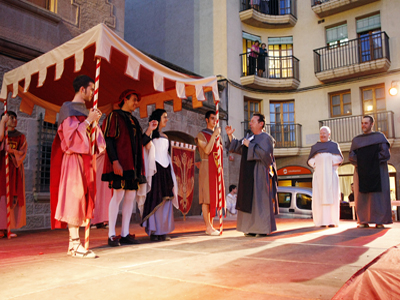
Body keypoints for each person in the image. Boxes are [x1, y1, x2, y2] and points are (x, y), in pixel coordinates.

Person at [50, 75, 105, 258]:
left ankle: (73, 244)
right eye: (91, 89)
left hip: (85, 160)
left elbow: (95, 141)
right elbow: (70, 140)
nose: (92, 93)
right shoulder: (68, 109)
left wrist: (94, 124)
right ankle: (74, 244)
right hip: (73, 159)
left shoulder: (86, 111)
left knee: (82, 199)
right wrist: (89, 121)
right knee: (75, 198)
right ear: (82, 89)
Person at [102, 89, 158, 247]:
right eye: (134, 100)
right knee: (118, 196)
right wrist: (114, 161)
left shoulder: (134, 120)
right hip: (120, 164)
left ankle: (125, 233)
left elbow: (140, 142)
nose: (136, 103)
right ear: (125, 99)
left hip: (133, 167)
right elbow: (109, 139)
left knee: (130, 199)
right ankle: (111, 234)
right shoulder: (114, 116)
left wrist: (150, 130)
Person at [225, 113, 277, 237]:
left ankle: (262, 229)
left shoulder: (266, 138)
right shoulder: (250, 137)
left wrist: (250, 146)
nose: (250, 123)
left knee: (259, 201)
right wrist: (230, 135)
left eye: (253, 121)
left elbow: (266, 156)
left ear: (261, 124)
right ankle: (250, 228)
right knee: (249, 200)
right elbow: (238, 147)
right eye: (250, 121)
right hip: (247, 173)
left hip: (259, 173)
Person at [140, 109, 178, 241]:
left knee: (166, 199)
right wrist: (150, 129)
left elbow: (167, 154)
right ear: (158, 118)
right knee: (156, 199)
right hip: (156, 170)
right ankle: (154, 231)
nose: (167, 119)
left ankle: (163, 231)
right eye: (165, 117)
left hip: (166, 170)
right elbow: (143, 141)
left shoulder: (166, 136)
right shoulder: (151, 134)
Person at [349, 115, 392, 229]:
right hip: (361, 171)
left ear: (372, 124)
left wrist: (368, 159)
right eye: (362, 123)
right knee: (362, 197)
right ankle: (363, 221)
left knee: (379, 197)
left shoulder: (380, 137)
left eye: (366, 123)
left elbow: (385, 154)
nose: (363, 125)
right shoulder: (356, 140)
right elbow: (352, 156)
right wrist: (365, 161)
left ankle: (379, 221)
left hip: (378, 171)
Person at [195, 110, 225, 236]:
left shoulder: (218, 136)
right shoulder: (201, 135)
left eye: (216, 119)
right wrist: (214, 135)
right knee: (206, 198)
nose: (214, 121)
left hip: (216, 168)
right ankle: (208, 226)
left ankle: (211, 226)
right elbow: (207, 150)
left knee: (213, 198)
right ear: (207, 120)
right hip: (206, 166)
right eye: (212, 118)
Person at [307, 126, 343, 227]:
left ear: (329, 134)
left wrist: (326, 159)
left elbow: (339, 159)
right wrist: (318, 162)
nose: (322, 135)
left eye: (325, 133)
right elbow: (310, 160)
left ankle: (332, 221)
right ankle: (321, 221)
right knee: (319, 198)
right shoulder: (315, 147)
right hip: (319, 176)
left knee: (333, 198)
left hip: (331, 175)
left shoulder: (334, 145)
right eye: (321, 133)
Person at [0, 111, 27, 238]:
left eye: (15, 118)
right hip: (1, 169)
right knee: (2, 197)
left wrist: (11, 151)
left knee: (12, 198)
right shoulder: (3, 134)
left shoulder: (20, 136)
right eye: (11, 118)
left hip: (14, 169)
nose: (14, 120)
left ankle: (8, 228)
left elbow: (22, 152)